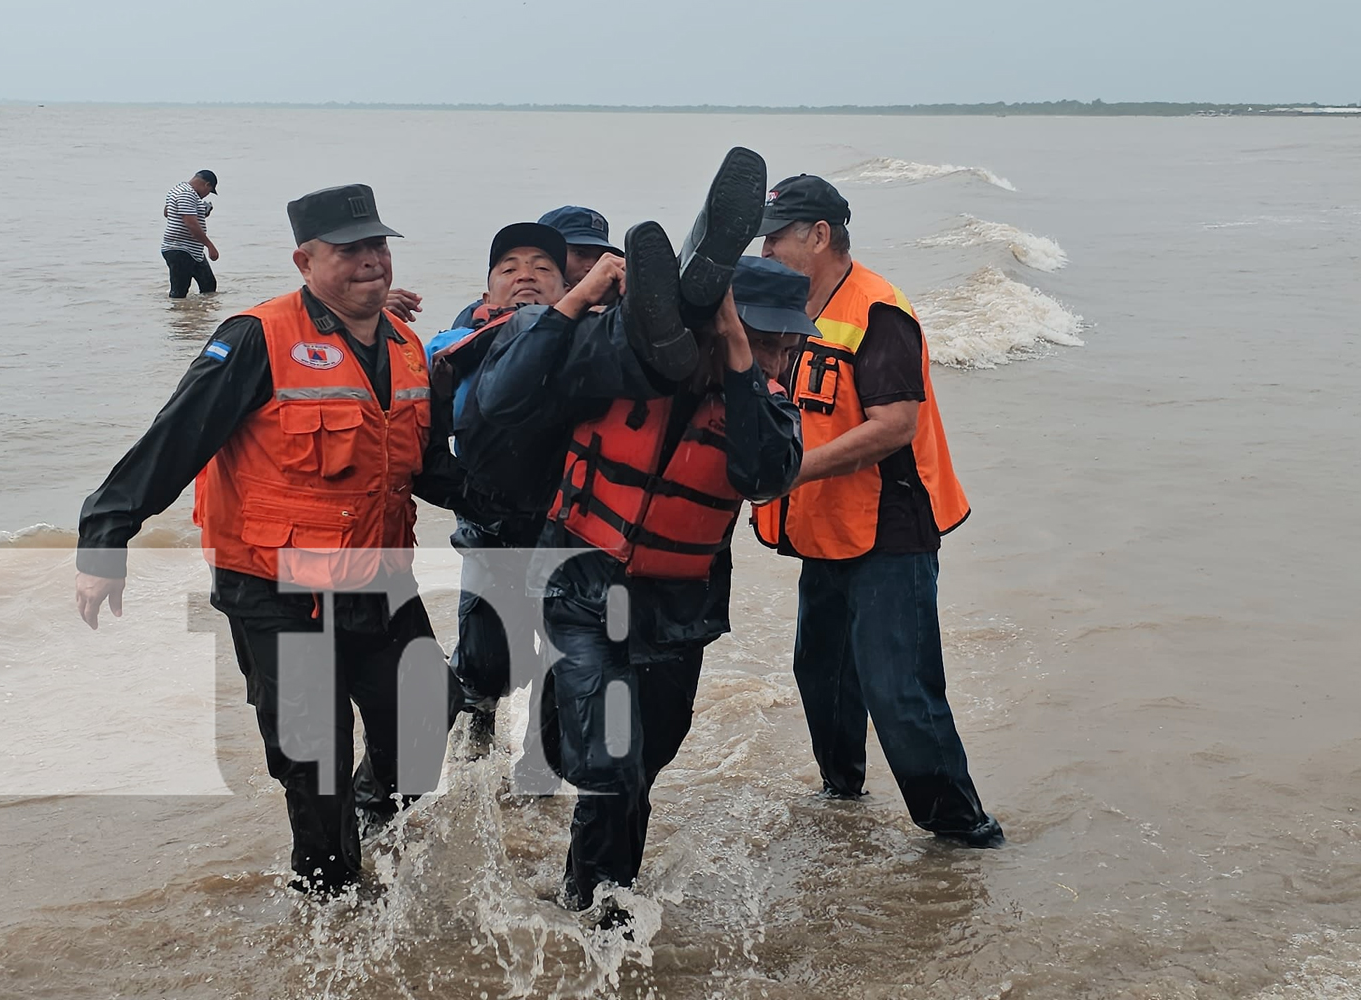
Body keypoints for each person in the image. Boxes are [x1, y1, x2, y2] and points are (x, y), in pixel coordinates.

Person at [76, 183, 461, 895]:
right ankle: (329, 901)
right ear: (304, 261)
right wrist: (105, 539)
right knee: (314, 760)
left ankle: (374, 820)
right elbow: (173, 440)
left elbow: (431, 469)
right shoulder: (256, 337)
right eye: (349, 251)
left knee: (428, 709)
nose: (371, 262)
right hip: (276, 590)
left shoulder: (407, 345)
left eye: (378, 245)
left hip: (376, 578)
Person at [473, 146, 790, 921]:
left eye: (787, 339)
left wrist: (743, 358)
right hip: (581, 584)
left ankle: (592, 890)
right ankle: (603, 914)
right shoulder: (609, 364)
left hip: (676, 610)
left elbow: (766, 474)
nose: (787, 348)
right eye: (767, 333)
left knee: (644, 762)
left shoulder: (767, 399)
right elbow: (507, 399)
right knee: (610, 760)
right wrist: (590, 300)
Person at [754, 173, 1004, 848]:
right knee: (822, 676)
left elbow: (895, 425)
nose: (766, 251)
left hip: (891, 526)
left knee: (900, 692)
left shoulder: (879, 311)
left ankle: (963, 832)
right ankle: (842, 799)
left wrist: (794, 468)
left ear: (820, 235)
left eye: (776, 239)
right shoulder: (786, 309)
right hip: (824, 525)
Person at [423, 222, 572, 763]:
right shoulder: (455, 348)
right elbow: (423, 446)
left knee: (564, 668)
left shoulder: (596, 342)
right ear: (487, 292)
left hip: (569, 538)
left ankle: (542, 780)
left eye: (542, 268)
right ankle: (475, 765)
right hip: (489, 532)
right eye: (509, 269)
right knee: (483, 668)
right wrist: (466, 497)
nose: (525, 276)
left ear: (567, 289)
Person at [448, 205, 622, 329]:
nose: (592, 266)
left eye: (600, 257)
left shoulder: (615, 305)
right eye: (580, 253)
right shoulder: (486, 312)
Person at [162, 170, 219, 298]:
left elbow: (167, 212)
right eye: (209, 191)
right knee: (179, 293)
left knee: (209, 286)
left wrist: (200, 213)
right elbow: (191, 224)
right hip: (179, 249)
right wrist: (210, 245)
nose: (206, 195)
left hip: (192, 250)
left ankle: (201, 315)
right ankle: (177, 317)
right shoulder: (187, 194)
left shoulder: (178, 189)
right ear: (207, 185)